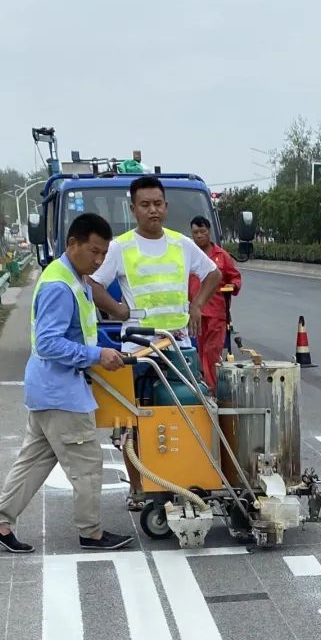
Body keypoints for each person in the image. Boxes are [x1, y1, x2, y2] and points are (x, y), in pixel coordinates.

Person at [0, 212, 134, 553]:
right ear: (72, 244)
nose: (98, 260)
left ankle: (0, 521)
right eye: (93, 251)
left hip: (47, 390)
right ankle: (91, 533)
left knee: (34, 460)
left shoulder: (73, 276)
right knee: (88, 465)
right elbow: (48, 343)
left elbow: (73, 333)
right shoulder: (60, 285)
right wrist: (96, 356)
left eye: (103, 255)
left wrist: (102, 352)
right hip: (61, 394)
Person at [88, 175, 222, 511]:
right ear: (133, 209)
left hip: (178, 346)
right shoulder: (121, 247)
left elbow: (213, 274)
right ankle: (138, 489)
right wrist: (119, 310)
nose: (153, 210)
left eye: (158, 204)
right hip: (138, 350)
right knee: (135, 423)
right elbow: (93, 285)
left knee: (185, 414)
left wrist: (197, 305)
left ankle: (181, 480)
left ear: (166, 206)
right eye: (145, 205)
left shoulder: (182, 244)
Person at [188, 215, 242, 392]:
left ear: (209, 232)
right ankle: (204, 384)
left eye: (203, 232)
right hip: (195, 313)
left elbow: (234, 276)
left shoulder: (221, 256)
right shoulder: (188, 255)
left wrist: (232, 286)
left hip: (217, 313)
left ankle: (211, 388)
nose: (199, 236)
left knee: (212, 350)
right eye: (196, 232)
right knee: (199, 350)